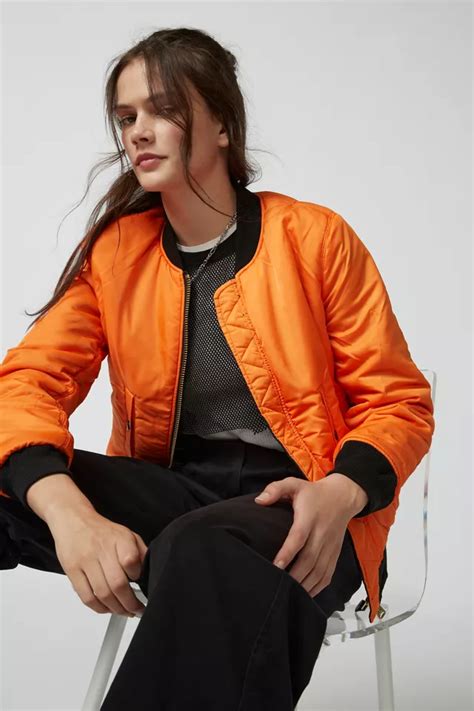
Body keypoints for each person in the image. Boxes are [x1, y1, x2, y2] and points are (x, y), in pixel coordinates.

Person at [0, 27, 435, 711]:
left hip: (309, 503)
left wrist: (342, 492)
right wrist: (69, 514)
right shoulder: (117, 254)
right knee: (44, 493)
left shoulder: (314, 238)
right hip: (179, 492)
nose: (139, 132)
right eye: (127, 117)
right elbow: (27, 383)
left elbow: (398, 402)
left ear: (224, 125)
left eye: (164, 109)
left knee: (201, 548)